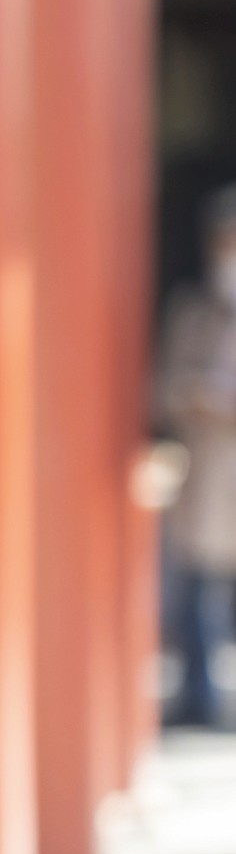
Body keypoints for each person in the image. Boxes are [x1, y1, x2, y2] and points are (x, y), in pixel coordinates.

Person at [153, 188, 236, 728]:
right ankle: (200, 699)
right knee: (198, 594)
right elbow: (159, 388)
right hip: (207, 472)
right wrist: (193, 399)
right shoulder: (191, 314)